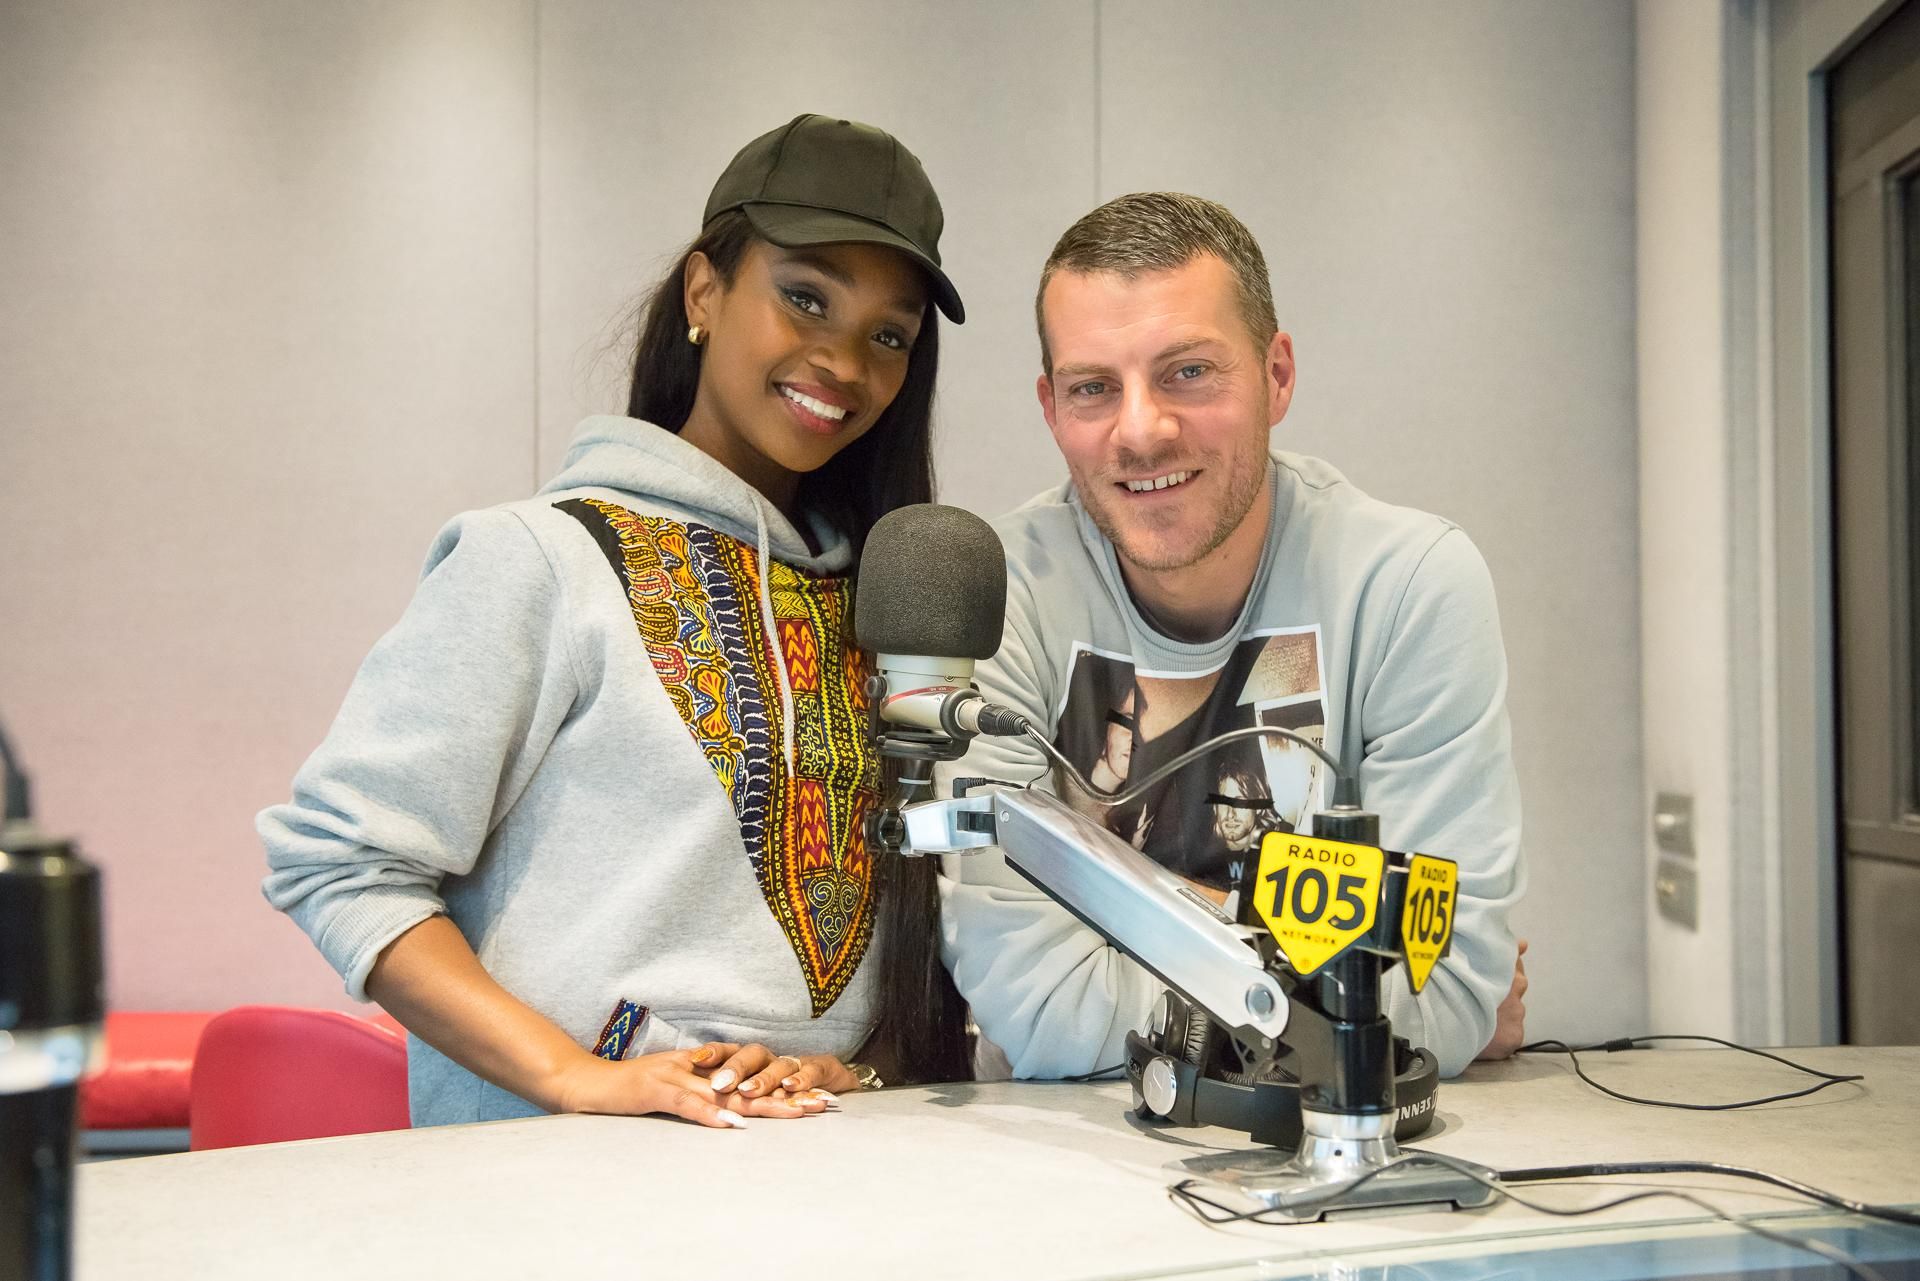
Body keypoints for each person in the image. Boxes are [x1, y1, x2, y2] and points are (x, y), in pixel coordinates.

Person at [260, 114, 971, 1130]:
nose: (845, 362)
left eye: (889, 336)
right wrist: (571, 1074)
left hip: (821, 1181)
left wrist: (854, 1068)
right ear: (703, 291)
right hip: (559, 1192)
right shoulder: (536, 559)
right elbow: (340, 863)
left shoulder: (893, 608)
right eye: (806, 297)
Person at [936, 192, 1527, 1081]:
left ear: (1276, 375)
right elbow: (1043, 1007)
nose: (1142, 430)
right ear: (1052, 409)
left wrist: (1116, 917)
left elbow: (1437, 990)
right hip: (1055, 1151)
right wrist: (1335, 1003)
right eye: (1094, 388)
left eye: (1188, 372)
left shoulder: (1408, 586)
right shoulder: (996, 596)